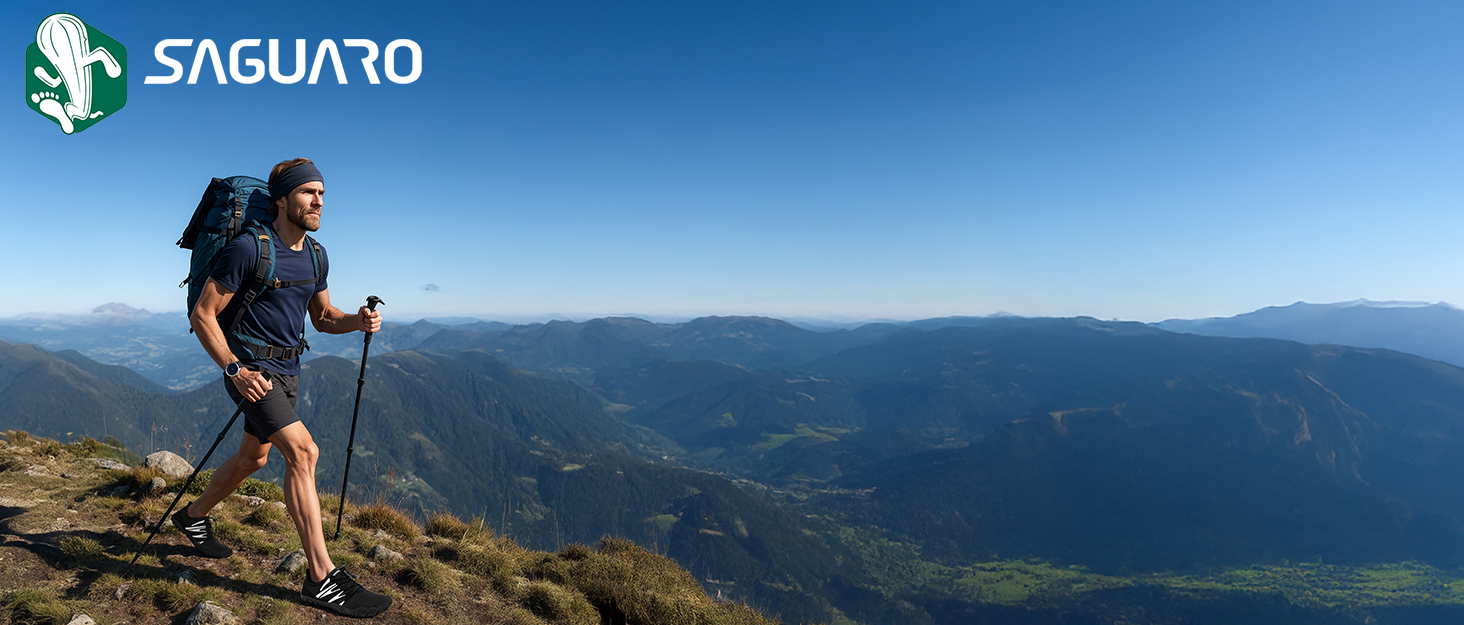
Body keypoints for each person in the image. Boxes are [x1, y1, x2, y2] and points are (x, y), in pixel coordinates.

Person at [177, 158, 392, 618]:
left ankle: (192, 518)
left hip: (289, 371)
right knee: (304, 452)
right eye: (307, 192)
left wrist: (359, 321)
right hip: (251, 375)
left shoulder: (316, 254)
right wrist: (234, 369)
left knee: (254, 458)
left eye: (321, 193)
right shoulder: (249, 248)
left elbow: (323, 318)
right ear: (282, 199)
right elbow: (203, 315)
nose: (318, 201)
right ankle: (321, 577)